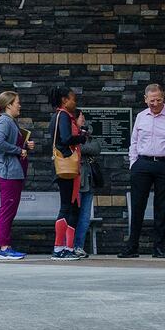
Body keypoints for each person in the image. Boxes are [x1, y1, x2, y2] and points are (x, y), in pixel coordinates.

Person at [119, 83, 165, 259]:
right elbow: (134, 142)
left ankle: (159, 247)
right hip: (143, 164)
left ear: (163, 98)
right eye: (152, 100)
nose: (155, 103)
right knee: (137, 206)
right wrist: (134, 163)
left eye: (159, 100)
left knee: (161, 207)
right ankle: (132, 246)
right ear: (145, 99)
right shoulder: (141, 117)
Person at [48, 86, 87, 260]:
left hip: (71, 169)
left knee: (74, 208)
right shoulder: (63, 116)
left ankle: (68, 247)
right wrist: (81, 135)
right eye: (73, 99)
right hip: (66, 168)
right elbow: (65, 139)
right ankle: (58, 247)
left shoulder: (63, 116)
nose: (75, 102)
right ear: (64, 100)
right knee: (66, 207)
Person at [0, 91, 28, 261]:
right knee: (6, 210)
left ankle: (6, 246)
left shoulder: (10, 122)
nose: (20, 105)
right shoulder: (4, 121)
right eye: (17, 102)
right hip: (8, 173)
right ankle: (4, 248)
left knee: (9, 210)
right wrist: (19, 150)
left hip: (13, 172)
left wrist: (25, 145)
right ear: (9, 105)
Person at [73, 109, 101, 259]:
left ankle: (79, 245)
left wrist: (82, 147)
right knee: (72, 214)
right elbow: (75, 148)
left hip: (89, 180)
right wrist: (82, 147)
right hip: (76, 179)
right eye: (81, 117)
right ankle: (68, 245)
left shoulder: (88, 135)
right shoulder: (69, 134)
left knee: (84, 216)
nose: (83, 119)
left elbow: (96, 148)